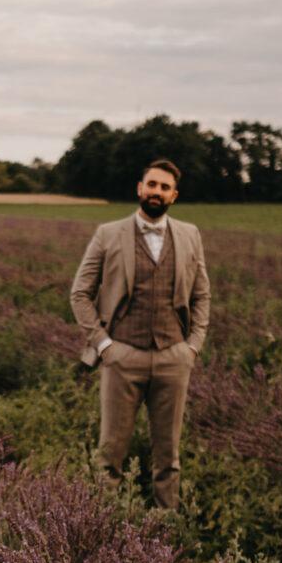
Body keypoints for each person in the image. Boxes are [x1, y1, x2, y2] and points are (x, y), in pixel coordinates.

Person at [69, 159, 211, 509]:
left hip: (173, 358)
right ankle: (102, 531)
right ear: (139, 188)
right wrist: (104, 345)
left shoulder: (190, 234)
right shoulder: (108, 233)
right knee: (109, 456)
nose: (156, 192)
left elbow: (202, 294)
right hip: (122, 358)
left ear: (173, 196)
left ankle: (168, 532)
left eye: (164, 187)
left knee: (169, 458)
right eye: (152, 184)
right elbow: (80, 293)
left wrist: (192, 347)